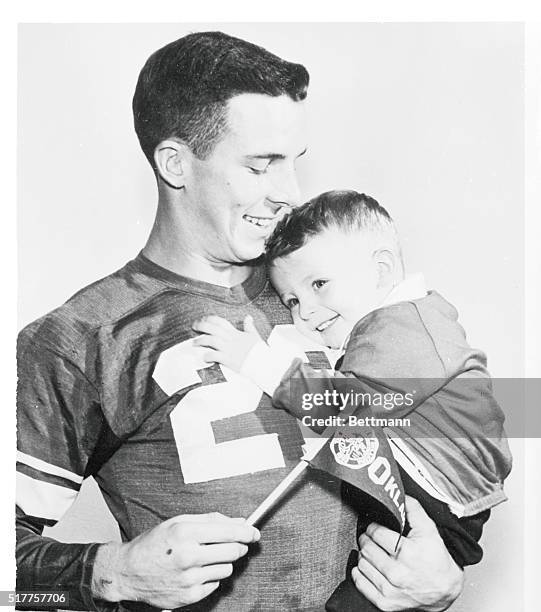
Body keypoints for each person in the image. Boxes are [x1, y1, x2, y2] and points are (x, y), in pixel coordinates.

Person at [16, 33, 466, 612]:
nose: (290, 194)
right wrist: (111, 574)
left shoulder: (323, 290)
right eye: (261, 166)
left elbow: (490, 414)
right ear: (175, 163)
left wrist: (443, 579)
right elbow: (10, 589)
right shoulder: (81, 338)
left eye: (294, 163)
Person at [193, 190, 512, 609]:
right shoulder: (395, 323)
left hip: (441, 504)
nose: (305, 312)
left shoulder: (404, 327)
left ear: (381, 269)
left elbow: (343, 409)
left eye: (319, 285)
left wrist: (255, 361)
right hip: (435, 499)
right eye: (292, 300)